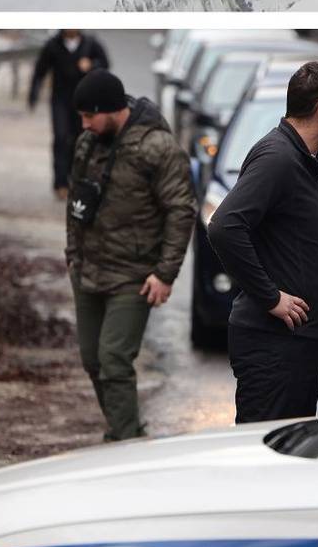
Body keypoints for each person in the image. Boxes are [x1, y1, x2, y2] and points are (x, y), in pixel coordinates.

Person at [207, 61, 318, 423]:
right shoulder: (278, 158)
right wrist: (270, 297)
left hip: (294, 344)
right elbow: (224, 226)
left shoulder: (301, 159)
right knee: (264, 460)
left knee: (287, 455)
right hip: (273, 346)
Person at [64, 69, 196, 442]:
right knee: (93, 360)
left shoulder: (157, 148)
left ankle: (125, 443)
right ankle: (128, 430)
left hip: (134, 275)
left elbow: (181, 210)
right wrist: (72, 255)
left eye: (90, 116)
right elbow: (77, 202)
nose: (85, 125)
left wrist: (165, 274)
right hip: (87, 269)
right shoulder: (87, 143)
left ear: (112, 109)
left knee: (114, 360)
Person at [29, 30, 110, 199]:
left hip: (84, 102)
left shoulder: (90, 43)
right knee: (60, 138)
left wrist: (92, 65)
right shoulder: (53, 45)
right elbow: (40, 70)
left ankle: (77, 179)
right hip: (60, 100)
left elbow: (105, 64)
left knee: (80, 139)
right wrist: (33, 95)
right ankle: (60, 183)